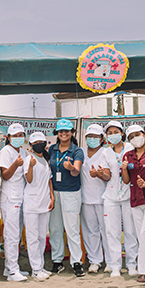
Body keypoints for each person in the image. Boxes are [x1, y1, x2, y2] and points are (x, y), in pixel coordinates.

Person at [98, 120, 138, 278]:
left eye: (116, 132)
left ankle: (131, 264)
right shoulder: (105, 153)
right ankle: (115, 266)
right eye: (109, 133)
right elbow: (107, 175)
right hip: (111, 196)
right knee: (112, 232)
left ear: (122, 133)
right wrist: (102, 174)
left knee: (130, 231)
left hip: (129, 195)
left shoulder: (131, 148)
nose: (113, 135)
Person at [48, 119, 85, 277]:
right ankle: (57, 260)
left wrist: (71, 169)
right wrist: (51, 195)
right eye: (61, 131)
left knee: (72, 229)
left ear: (72, 133)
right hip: (54, 193)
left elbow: (76, 170)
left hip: (71, 193)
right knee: (55, 228)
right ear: (57, 133)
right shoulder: (51, 149)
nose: (64, 133)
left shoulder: (77, 151)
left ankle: (76, 261)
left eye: (67, 131)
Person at [122, 124, 145, 282]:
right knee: (141, 235)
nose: (135, 138)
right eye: (131, 137)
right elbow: (126, 180)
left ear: (144, 134)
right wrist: (123, 169)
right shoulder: (128, 155)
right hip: (135, 199)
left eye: (137, 134)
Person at [0, 123, 28, 281]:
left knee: (17, 233)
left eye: (21, 135)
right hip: (10, 197)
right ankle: (12, 271)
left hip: (22, 196)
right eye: (15, 136)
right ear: (8, 138)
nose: (18, 138)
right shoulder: (5, 152)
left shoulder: (23, 151)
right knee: (11, 234)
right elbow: (5, 175)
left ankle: (11, 268)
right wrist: (15, 165)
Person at [23, 132, 55, 281]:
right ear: (31, 146)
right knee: (33, 237)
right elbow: (28, 180)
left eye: (42, 142)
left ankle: (41, 266)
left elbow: (49, 180)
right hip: (31, 203)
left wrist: (52, 197)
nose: (39, 145)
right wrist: (30, 166)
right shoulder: (29, 159)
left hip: (44, 202)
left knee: (42, 236)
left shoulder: (46, 159)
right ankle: (35, 269)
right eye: (36, 143)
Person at [80, 124, 110, 273]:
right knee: (90, 231)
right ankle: (95, 261)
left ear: (102, 138)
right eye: (89, 137)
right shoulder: (81, 152)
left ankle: (110, 261)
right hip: (86, 198)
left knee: (106, 230)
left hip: (104, 197)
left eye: (96, 137)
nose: (92, 139)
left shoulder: (106, 152)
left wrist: (99, 174)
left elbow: (108, 175)